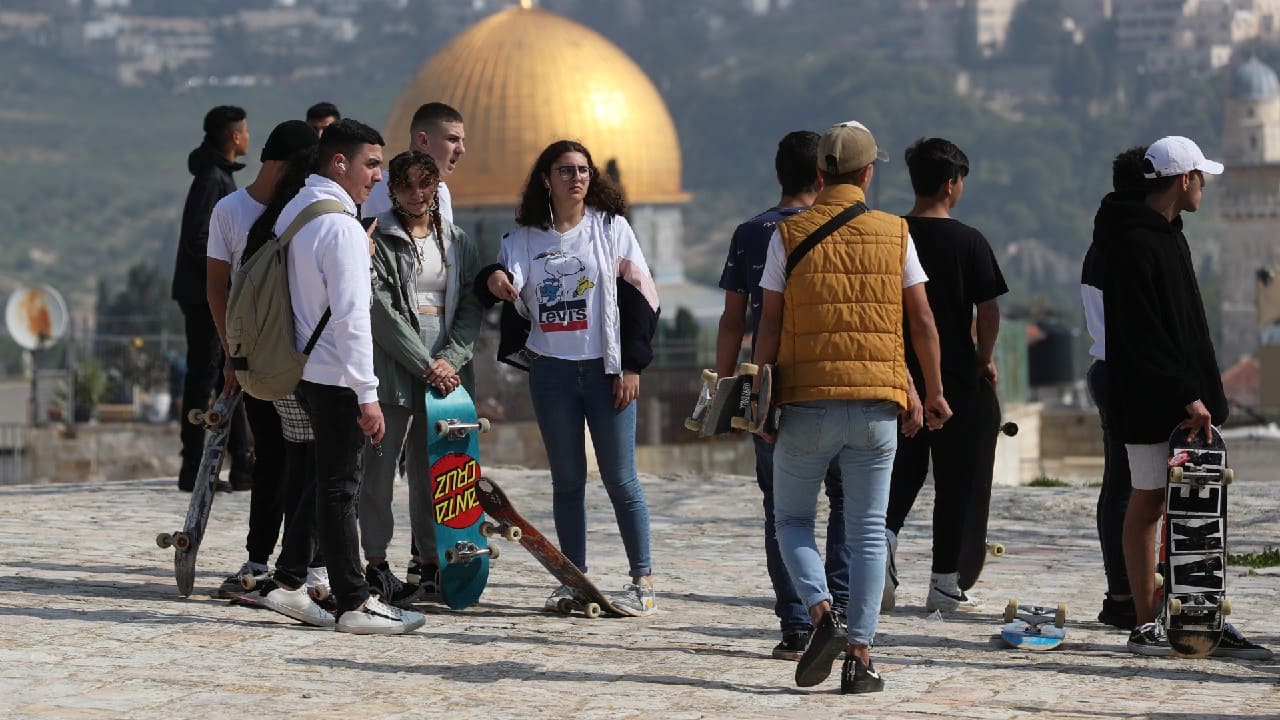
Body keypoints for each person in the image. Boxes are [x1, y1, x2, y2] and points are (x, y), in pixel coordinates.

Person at [753, 121, 951, 694]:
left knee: (791, 519)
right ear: (868, 173)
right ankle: (861, 658)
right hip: (875, 408)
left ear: (820, 174)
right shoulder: (895, 233)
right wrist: (931, 392)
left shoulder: (786, 236)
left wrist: (760, 398)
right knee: (867, 531)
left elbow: (769, 323)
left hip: (806, 405)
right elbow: (921, 320)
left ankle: (820, 615)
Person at [251, 118, 425, 635]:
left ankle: (286, 583)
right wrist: (367, 396)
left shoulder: (299, 211)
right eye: (371, 163)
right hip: (336, 375)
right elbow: (352, 319)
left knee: (321, 480)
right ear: (339, 162)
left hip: (304, 367)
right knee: (340, 488)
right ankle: (354, 601)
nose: (378, 175)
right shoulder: (342, 227)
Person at [1101, 135, 1271, 659]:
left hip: (1187, 398)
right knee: (1150, 501)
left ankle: (1199, 616)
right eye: (1201, 177)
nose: (1204, 186)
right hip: (1153, 400)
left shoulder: (1171, 234)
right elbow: (1144, 331)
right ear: (1183, 179)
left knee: (1195, 509)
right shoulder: (1132, 241)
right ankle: (1147, 619)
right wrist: (1184, 393)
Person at [475, 139, 660, 616]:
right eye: (565, 170)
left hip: (606, 369)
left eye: (583, 170)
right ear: (546, 179)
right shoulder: (525, 239)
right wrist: (495, 280)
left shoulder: (611, 229)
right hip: (552, 372)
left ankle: (642, 580)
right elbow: (499, 275)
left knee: (621, 479)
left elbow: (642, 297)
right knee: (568, 480)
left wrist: (632, 365)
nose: (576, 178)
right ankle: (573, 578)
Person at [715, 130, 850, 660]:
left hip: (767, 387)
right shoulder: (849, 226)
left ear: (779, 176)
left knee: (782, 509)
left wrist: (725, 391)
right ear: (824, 177)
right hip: (833, 379)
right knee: (844, 500)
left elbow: (732, 322)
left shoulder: (753, 232)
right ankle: (837, 608)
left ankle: (797, 622)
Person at [883, 138, 1008, 614]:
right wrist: (984, 356)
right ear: (951, 185)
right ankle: (944, 583)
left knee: (900, 474)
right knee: (956, 481)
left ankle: (882, 559)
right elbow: (989, 309)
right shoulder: (970, 240)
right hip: (954, 376)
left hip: (897, 375)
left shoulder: (891, 233)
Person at [359, 150, 482, 604]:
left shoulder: (457, 241)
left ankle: (433, 561)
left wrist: (449, 358)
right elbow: (381, 310)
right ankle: (375, 562)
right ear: (392, 189)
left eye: (424, 184)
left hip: (446, 371)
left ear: (435, 187)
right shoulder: (379, 238)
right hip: (395, 366)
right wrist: (423, 361)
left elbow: (471, 305)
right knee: (379, 469)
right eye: (406, 185)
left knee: (435, 472)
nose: (416, 193)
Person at [205, 119, 319, 598]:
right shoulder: (230, 210)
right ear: (280, 163)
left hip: (300, 358)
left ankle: (302, 562)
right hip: (254, 358)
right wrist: (232, 357)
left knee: (305, 459)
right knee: (269, 456)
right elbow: (217, 289)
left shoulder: (303, 208)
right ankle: (258, 556)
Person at [171, 105, 253, 492]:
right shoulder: (211, 179)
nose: (248, 136)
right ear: (235, 137)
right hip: (204, 295)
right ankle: (192, 468)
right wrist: (226, 270)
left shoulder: (218, 176)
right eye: (246, 131)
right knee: (205, 376)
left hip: (211, 293)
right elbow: (198, 239)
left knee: (226, 374)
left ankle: (241, 464)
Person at [1080, 145, 1146, 630]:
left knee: (1118, 485)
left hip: (1107, 366)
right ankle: (1125, 593)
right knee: (1126, 488)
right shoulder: (1126, 242)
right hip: (1125, 370)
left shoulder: (1102, 239)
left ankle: (1122, 590)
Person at [361, 102, 464, 223]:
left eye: (462, 141)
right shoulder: (376, 188)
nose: (461, 149)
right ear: (424, 141)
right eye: (452, 139)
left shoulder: (374, 186)